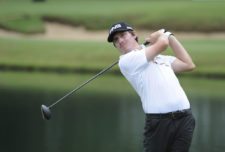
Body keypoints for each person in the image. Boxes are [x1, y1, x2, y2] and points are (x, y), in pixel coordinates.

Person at [107, 22, 196, 152]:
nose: (120, 40)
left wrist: (169, 35)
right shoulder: (126, 61)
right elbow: (162, 44)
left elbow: (188, 64)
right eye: (115, 40)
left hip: (185, 118)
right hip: (159, 122)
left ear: (133, 35)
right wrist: (161, 34)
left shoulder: (161, 58)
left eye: (122, 35)